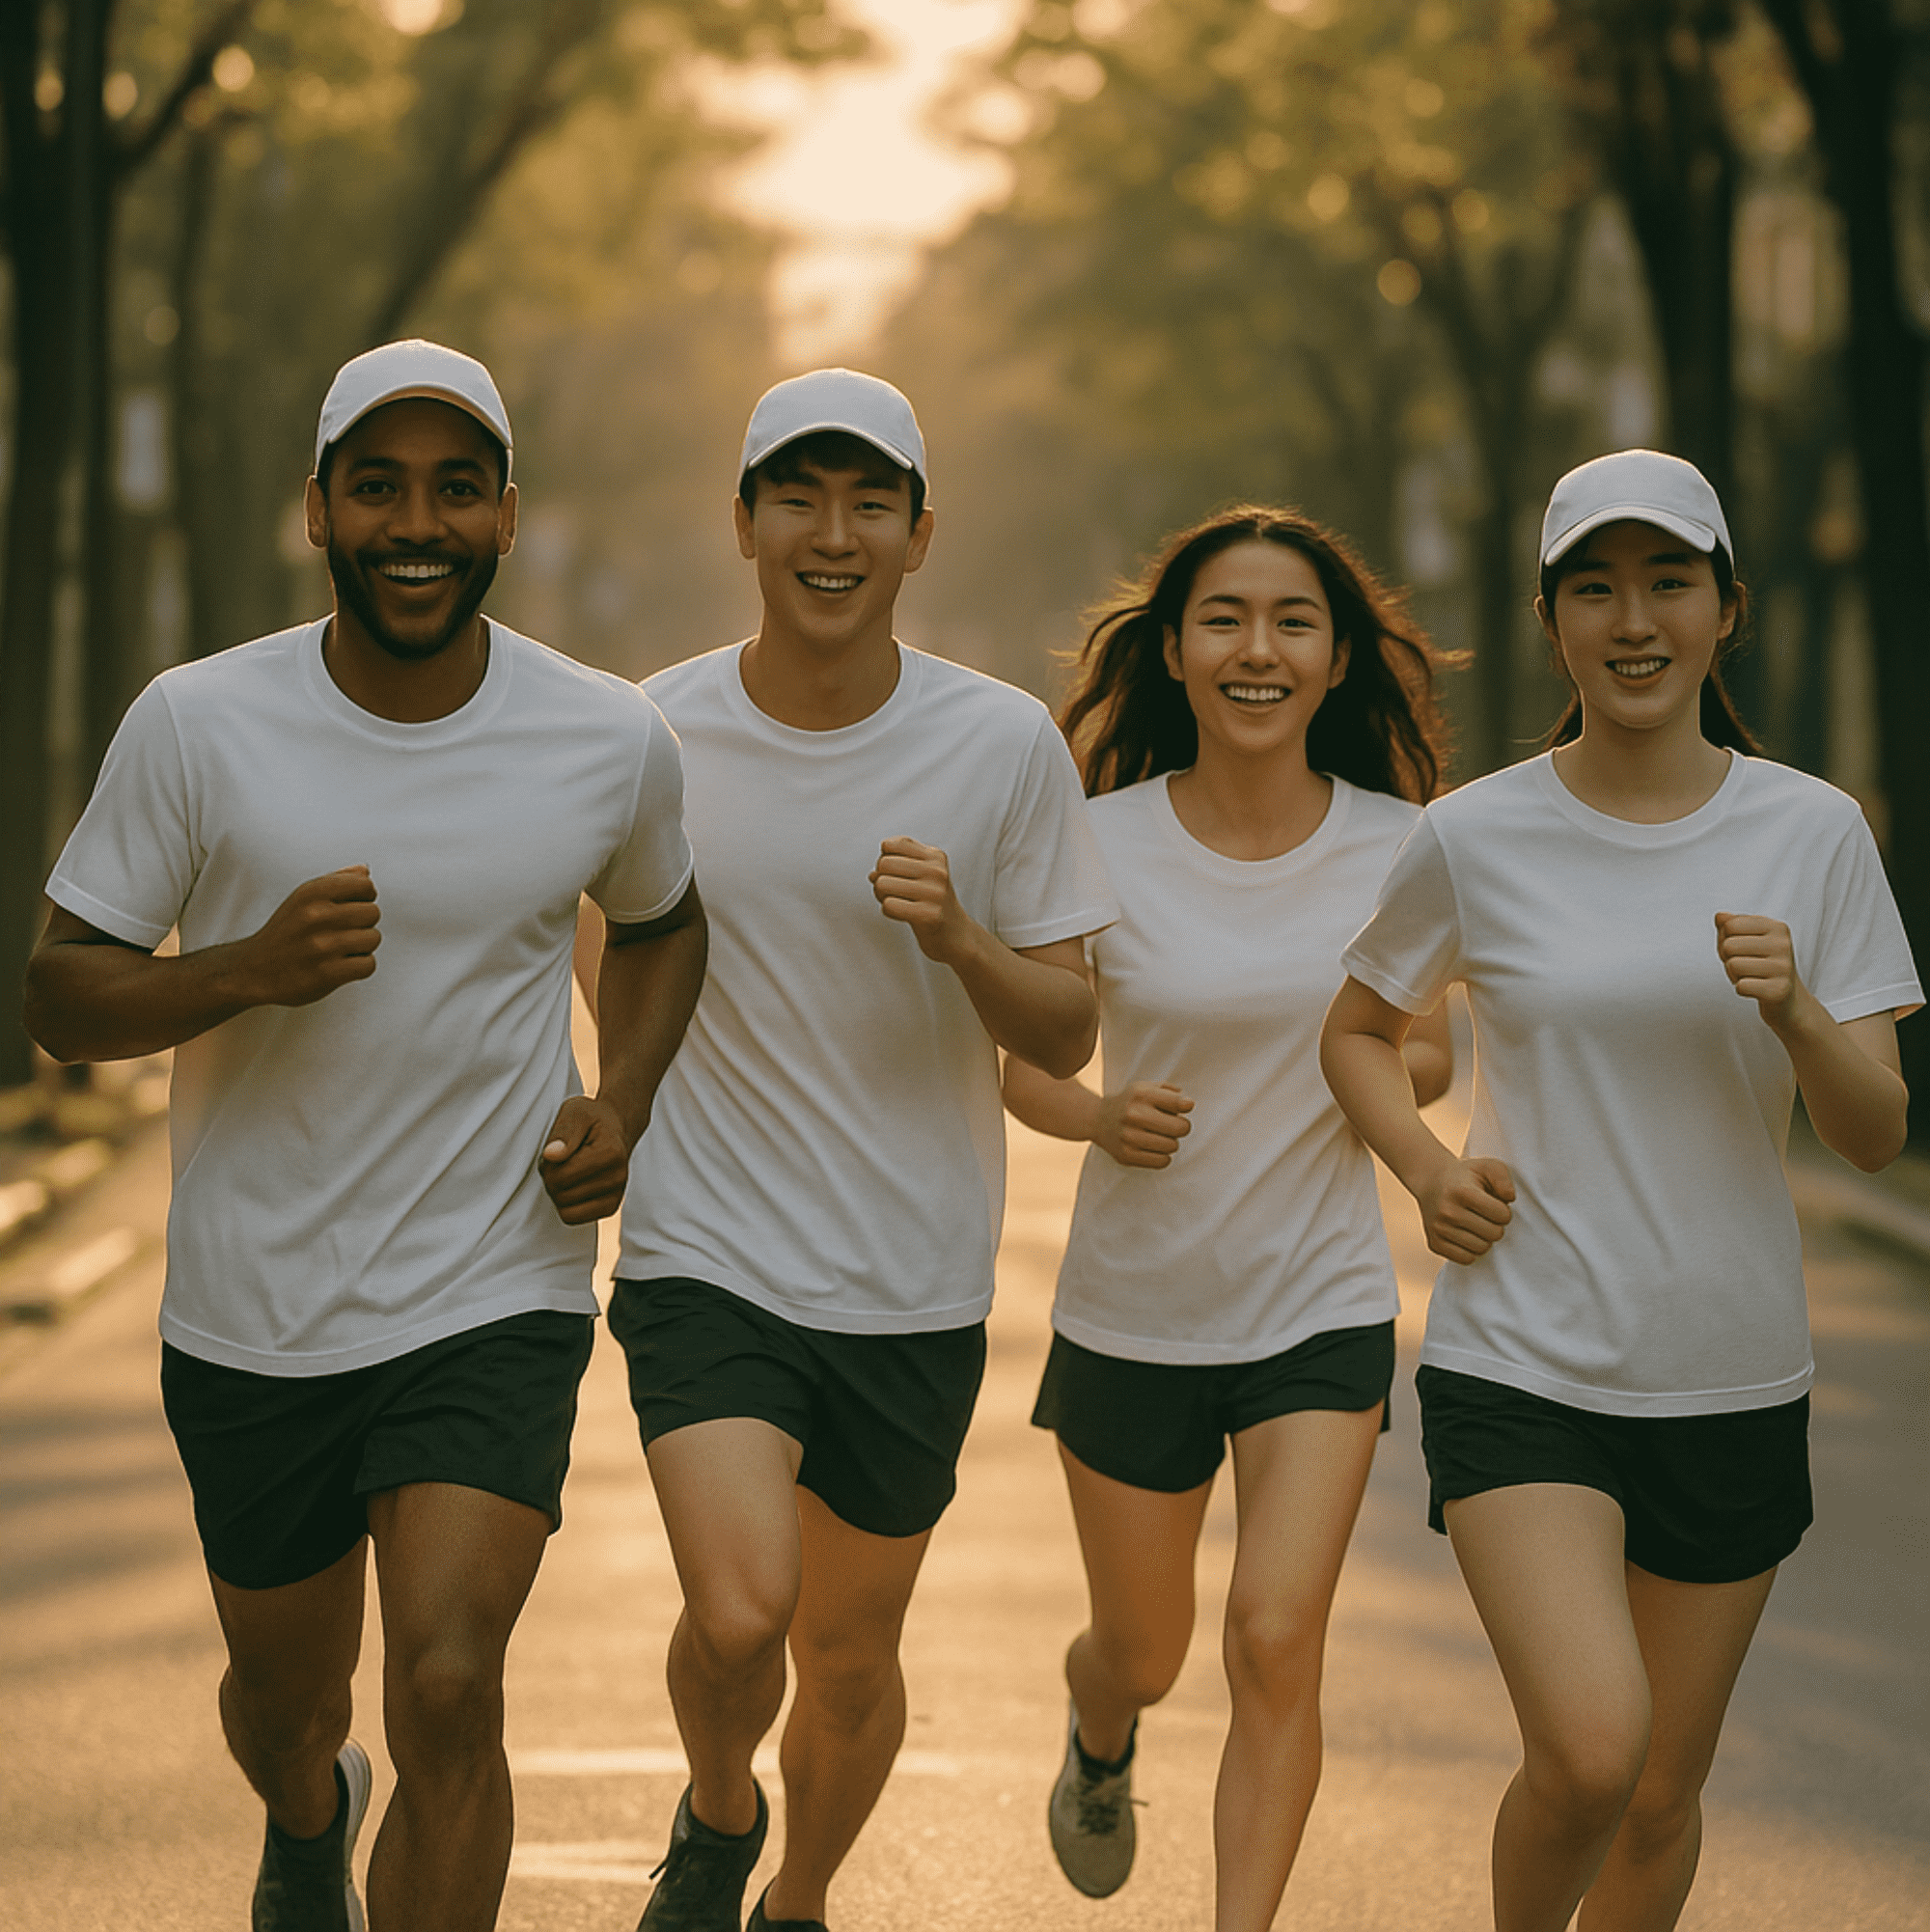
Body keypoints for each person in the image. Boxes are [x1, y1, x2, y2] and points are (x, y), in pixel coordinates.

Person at [24, 340, 705, 1932]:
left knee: (455, 1683)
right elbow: (60, 990)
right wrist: (246, 969)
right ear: (316, 511)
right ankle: (308, 1809)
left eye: (455, 487)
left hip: (495, 1289)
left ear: (508, 516)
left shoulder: (606, 737)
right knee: (287, 1704)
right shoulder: (198, 723)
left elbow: (665, 923)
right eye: (379, 485)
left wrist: (625, 1094)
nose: (418, 520)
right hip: (256, 1306)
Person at [1320, 449, 1919, 1932]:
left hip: (1728, 1368)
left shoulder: (1813, 830)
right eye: (1597, 586)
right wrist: (1426, 1166)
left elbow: (1874, 1133)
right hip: (1523, 1356)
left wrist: (1795, 1015)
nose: (1633, 618)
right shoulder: (1475, 833)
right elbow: (1353, 1031)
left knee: (1659, 1792)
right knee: (1591, 1750)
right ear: (1554, 621)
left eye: (1668, 583)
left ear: (1729, 611)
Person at [602, 368, 1117, 1932]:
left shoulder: (1003, 742)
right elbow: (609, 948)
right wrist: (629, 1107)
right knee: (743, 1606)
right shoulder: (650, 732)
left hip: (911, 1274)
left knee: (844, 1652)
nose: (834, 534)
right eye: (801, 499)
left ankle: (799, 1896)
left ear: (918, 532)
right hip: (706, 1252)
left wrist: (965, 937)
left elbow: (1070, 1023)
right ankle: (717, 1804)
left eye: (869, 502)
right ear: (745, 519)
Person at [1001, 507, 1456, 1930]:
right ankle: (1099, 1724)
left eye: (1293, 621)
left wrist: (1370, 1069)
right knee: (1146, 1643)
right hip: (1134, 1303)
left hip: (1316, 1304)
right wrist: (1098, 1116)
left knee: (1275, 1637)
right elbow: (1026, 1059)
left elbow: (1428, 1046)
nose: (1258, 646)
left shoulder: (1404, 845)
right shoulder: (1097, 839)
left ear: (1334, 664)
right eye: (1225, 619)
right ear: (1178, 654)